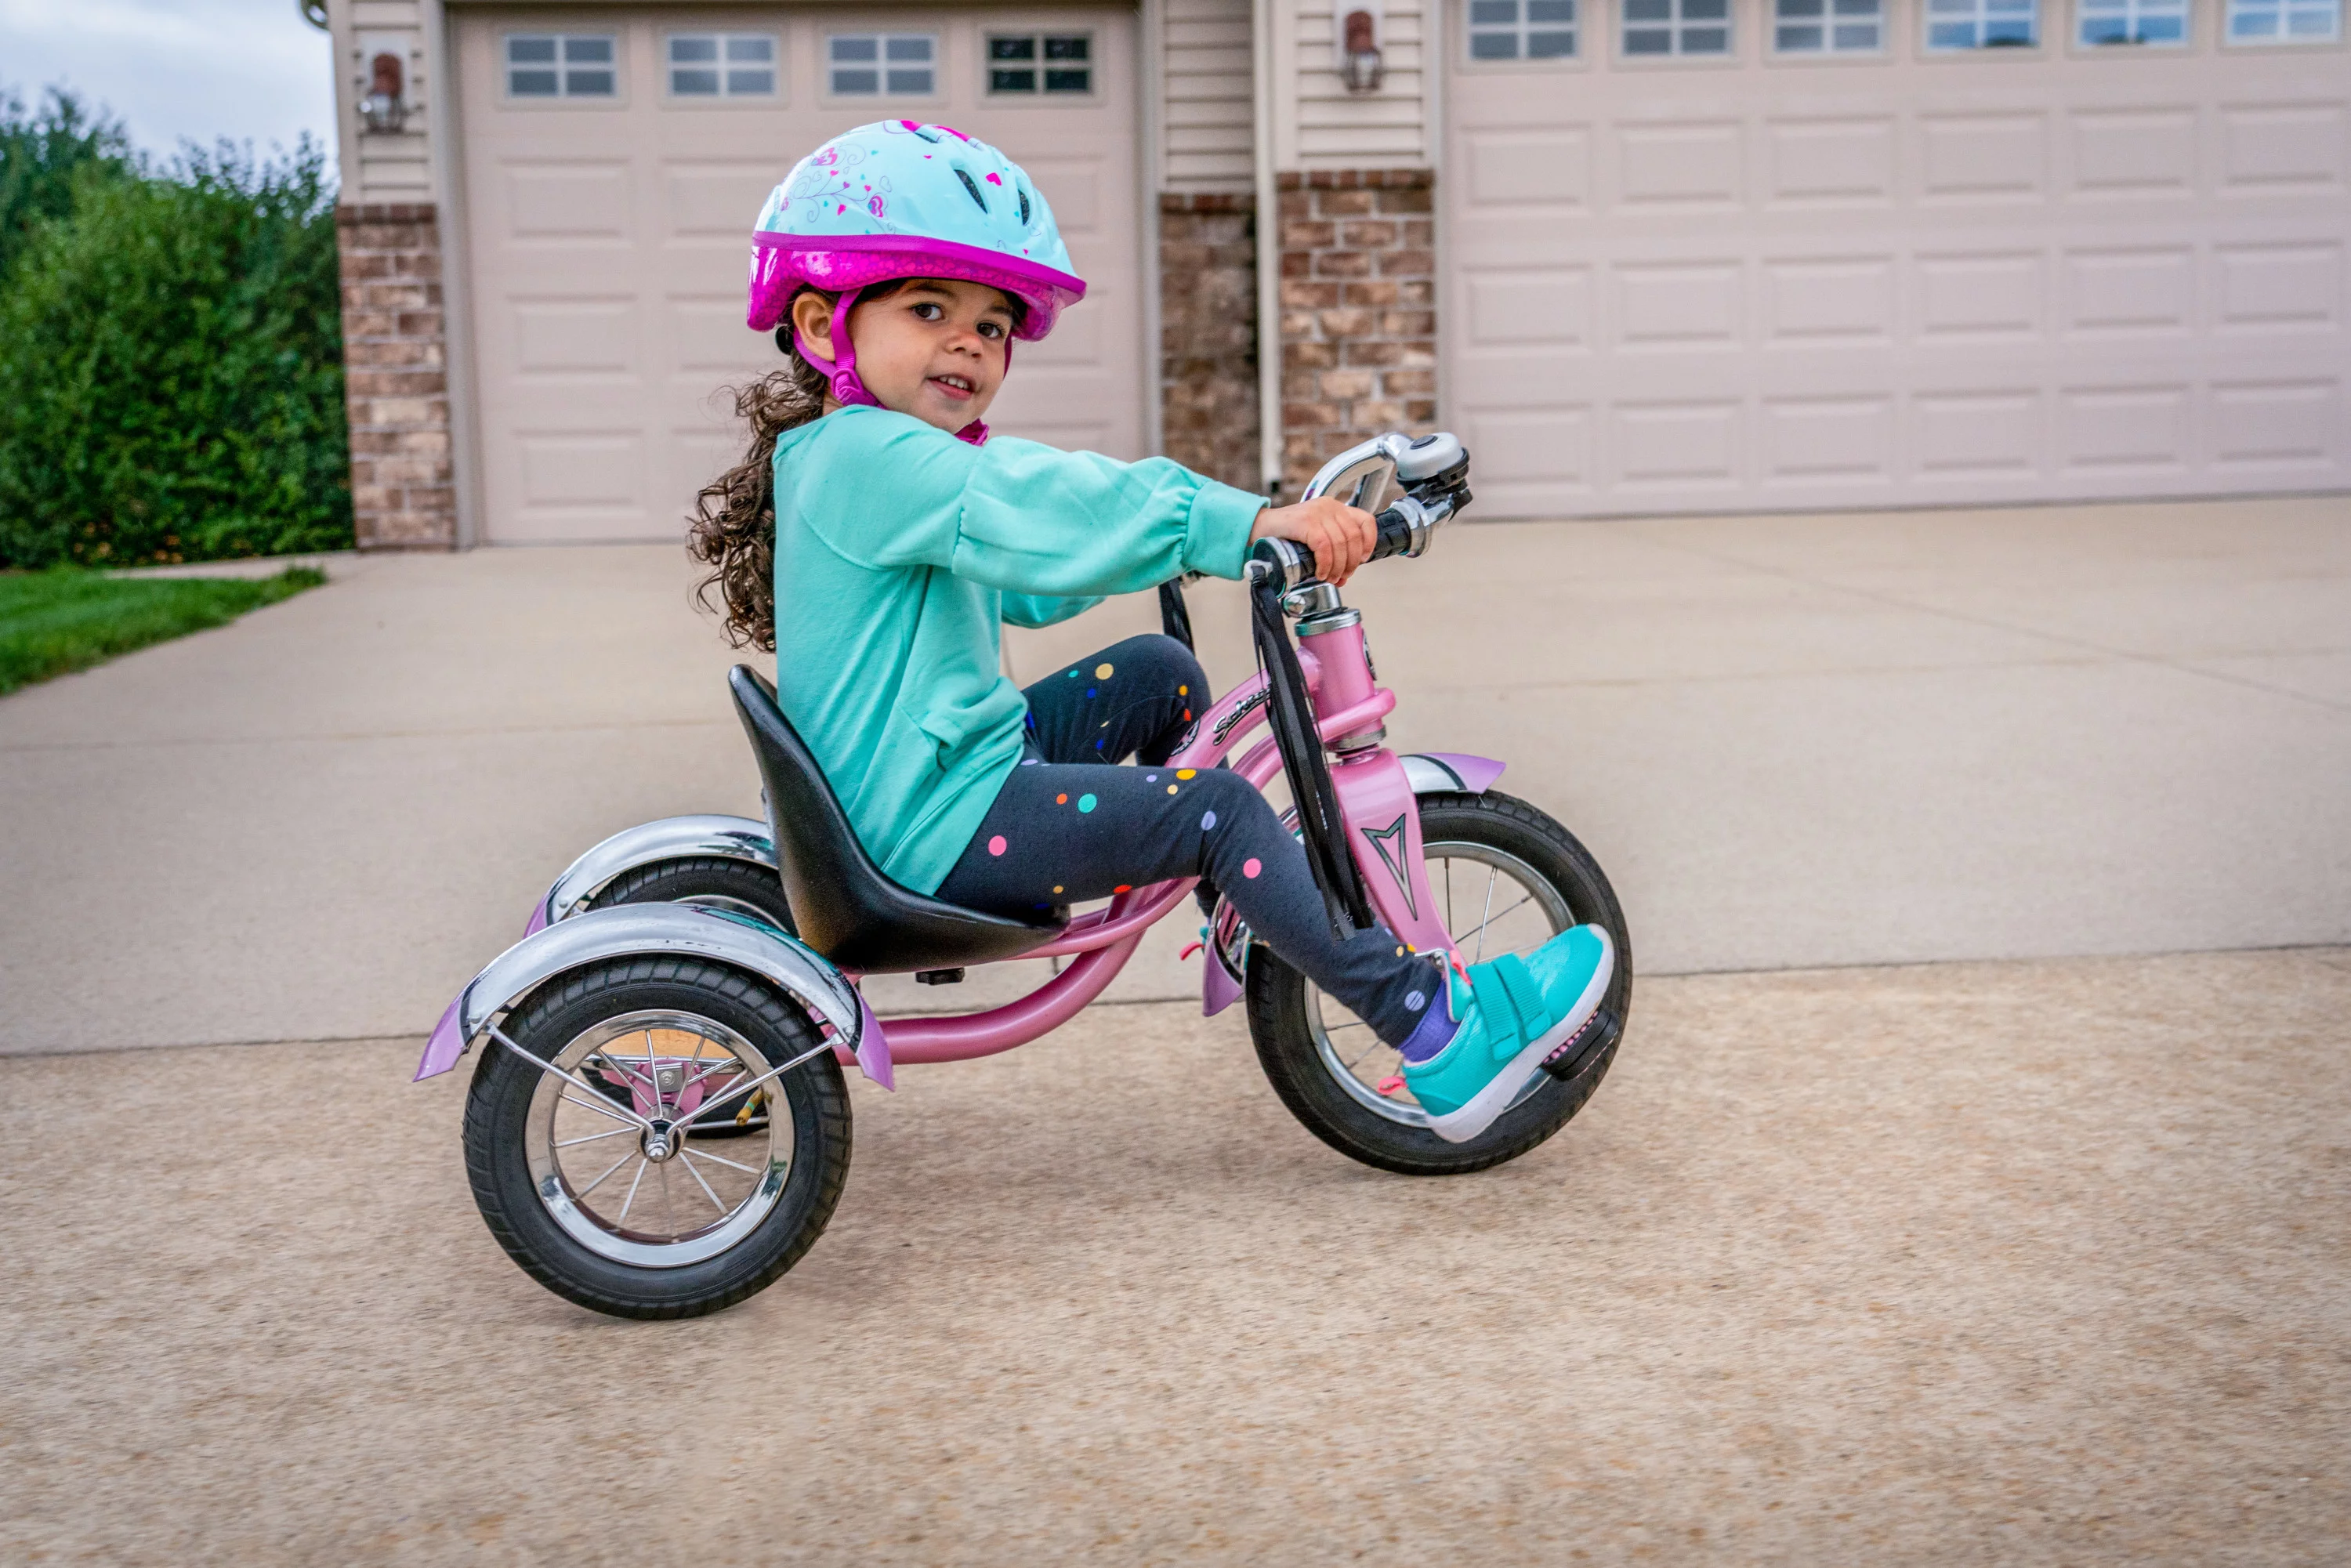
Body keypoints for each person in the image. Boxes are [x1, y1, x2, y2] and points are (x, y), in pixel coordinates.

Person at [686, 121, 1611, 1144]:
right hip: (936, 827)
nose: (970, 341)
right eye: (929, 308)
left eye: (994, 325)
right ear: (822, 325)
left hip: (931, 777)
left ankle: (1164, 842)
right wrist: (1234, 524)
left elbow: (1028, 571)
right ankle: (1434, 1031)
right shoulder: (875, 458)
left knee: (1161, 671)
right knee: (1215, 811)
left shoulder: (859, 455)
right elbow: (1046, 504)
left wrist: (1153, 547)